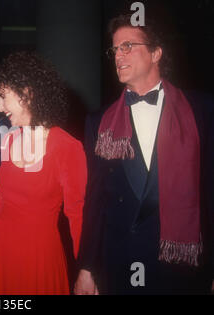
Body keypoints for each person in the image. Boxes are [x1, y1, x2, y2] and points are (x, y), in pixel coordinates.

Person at [75, 14, 214, 295]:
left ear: (156, 52)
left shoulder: (202, 110)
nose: (118, 56)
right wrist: (86, 268)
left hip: (181, 268)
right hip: (119, 263)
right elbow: (95, 201)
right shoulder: (99, 122)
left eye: (128, 46)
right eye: (115, 49)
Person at [0, 52, 87, 294]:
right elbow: (3, 198)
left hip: (40, 258)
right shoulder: (9, 141)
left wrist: (87, 270)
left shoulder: (67, 146)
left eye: (3, 97)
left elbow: (78, 216)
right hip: (1, 253)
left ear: (27, 94)